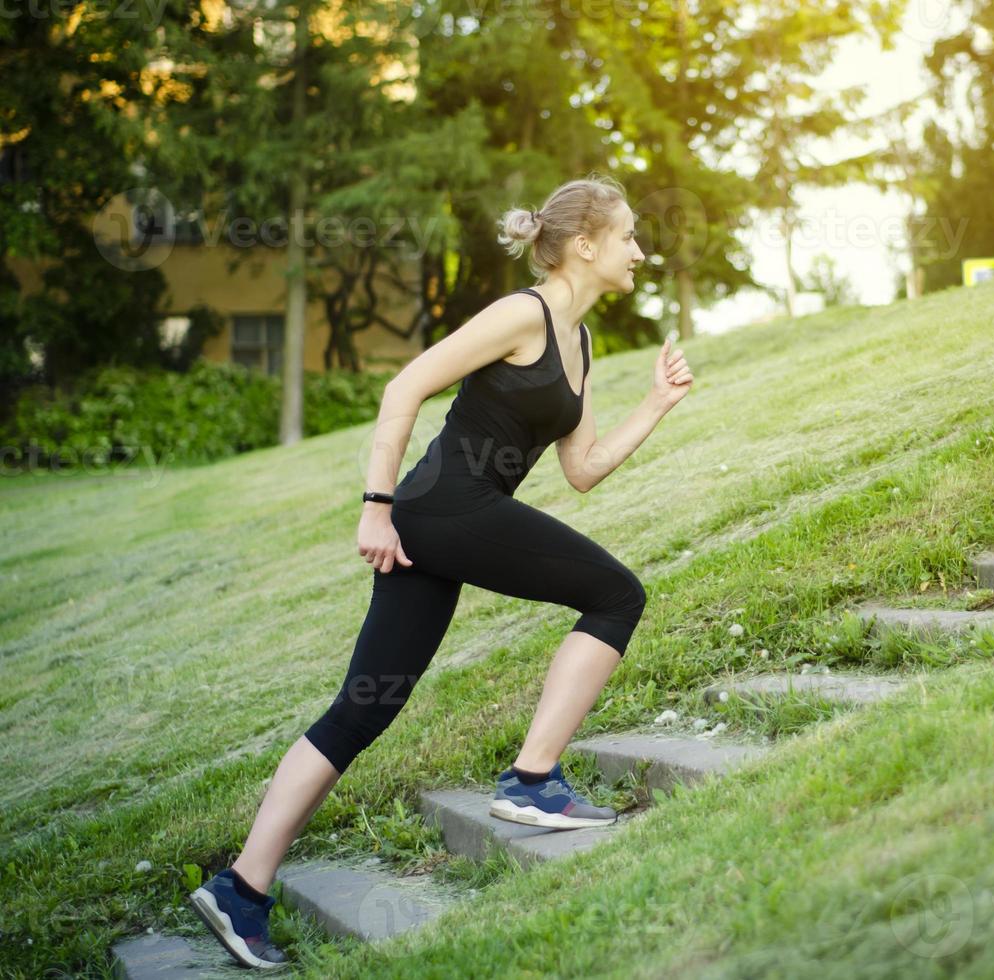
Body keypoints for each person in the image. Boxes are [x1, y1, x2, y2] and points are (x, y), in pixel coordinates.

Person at [189, 173, 693, 969]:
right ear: (586, 245)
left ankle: (240, 891)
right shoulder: (519, 314)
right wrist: (374, 504)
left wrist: (656, 406)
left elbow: (584, 468)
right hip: (437, 509)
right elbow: (405, 385)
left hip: (447, 522)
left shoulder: (581, 341)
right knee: (616, 593)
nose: (640, 249)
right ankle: (532, 779)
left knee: (363, 708)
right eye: (628, 235)